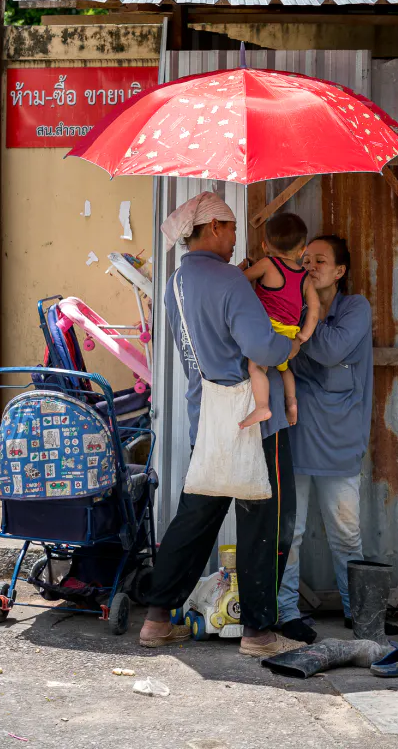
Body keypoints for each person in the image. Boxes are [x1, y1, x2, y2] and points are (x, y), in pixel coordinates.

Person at [139, 192, 299, 658]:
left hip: (204, 415)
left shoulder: (175, 283)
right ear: (213, 229)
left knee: (196, 518)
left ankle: (156, 619)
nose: (235, 237)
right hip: (251, 417)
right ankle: (259, 633)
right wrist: (289, 344)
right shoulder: (231, 280)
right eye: (230, 228)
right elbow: (263, 349)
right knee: (262, 520)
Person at [275, 235, 373, 644]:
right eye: (304, 259)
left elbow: (331, 350)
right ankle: (285, 612)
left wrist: (296, 324)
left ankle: (360, 612)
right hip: (295, 434)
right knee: (290, 532)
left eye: (319, 260)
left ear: (340, 271)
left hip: (340, 437)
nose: (310, 266)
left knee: (346, 532)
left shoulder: (356, 308)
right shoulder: (294, 304)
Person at [239, 212, 320, 430]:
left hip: (267, 330)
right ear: (302, 251)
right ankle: (291, 402)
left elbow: (241, 281)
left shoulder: (267, 264)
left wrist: (242, 268)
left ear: (265, 246)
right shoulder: (304, 276)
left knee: (256, 367)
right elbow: (314, 308)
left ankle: (262, 406)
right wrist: (303, 335)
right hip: (290, 333)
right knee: (284, 369)